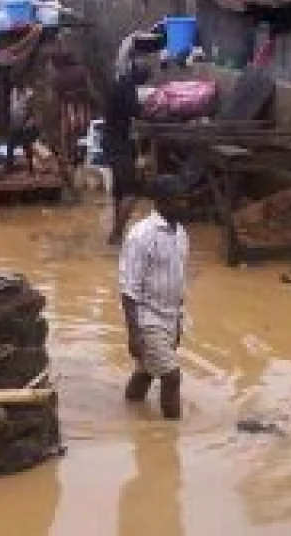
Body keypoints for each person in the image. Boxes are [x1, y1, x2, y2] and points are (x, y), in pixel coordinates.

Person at [119, 175, 189, 421]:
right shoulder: (141, 235)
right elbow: (129, 289)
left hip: (170, 316)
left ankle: (130, 412)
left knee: (147, 372)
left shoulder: (180, 233)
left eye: (184, 199)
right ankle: (171, 436)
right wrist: (134, 333)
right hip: (147, 317)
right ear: (161, 202)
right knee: (171, 376)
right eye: (178, 200)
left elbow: (178, 281)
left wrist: (178, 322)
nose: (184, 205)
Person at [106, 61, 151, 245]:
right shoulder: (128, 88)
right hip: (120, 145)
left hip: (112, 142)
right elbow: (136, 111)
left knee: (119, 190)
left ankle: (116, 233)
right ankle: (117, 233)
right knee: (132, 191)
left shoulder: (119, 85)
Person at [51, 49, 94, 198]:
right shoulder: (82, 71)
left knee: (67, 152)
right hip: (84, 117)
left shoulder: (57, 78)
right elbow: (90, 91)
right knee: (84, 148)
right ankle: (80, 178)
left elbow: (57, 100)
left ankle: (72, 188)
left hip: (67, 119)